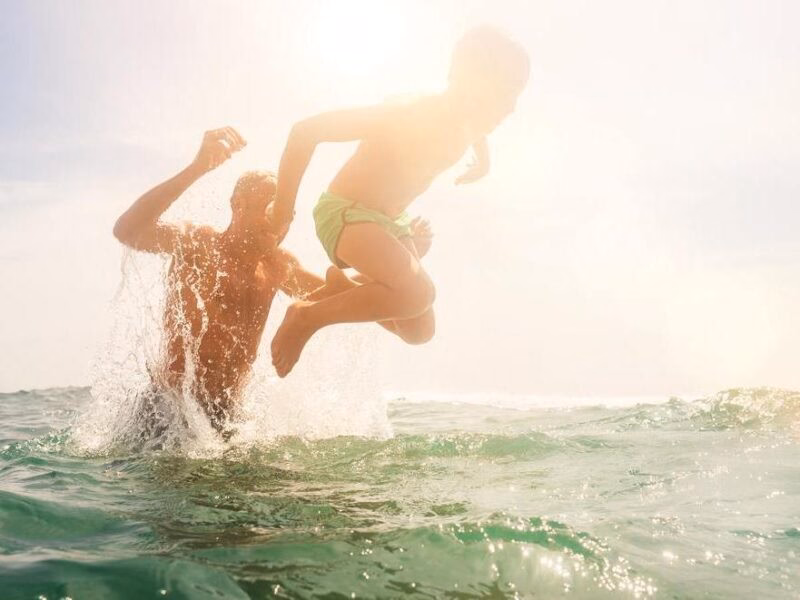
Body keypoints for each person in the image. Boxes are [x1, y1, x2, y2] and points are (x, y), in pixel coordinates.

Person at [268, 26, 530, 377]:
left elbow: (478, 135)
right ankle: (307, 316)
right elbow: (306, 132)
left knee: (419, 330)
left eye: (514, 96)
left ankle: (340, 291)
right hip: (346, 213)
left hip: (391, 222)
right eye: (504, 95)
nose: (511, 108)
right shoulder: (407, 114)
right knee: (418, 294)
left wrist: (484, 162)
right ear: (466, 83)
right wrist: (283, 209)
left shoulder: (472, 123)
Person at [113, 127, 339, 433]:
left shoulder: (278, 266)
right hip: (168, 415)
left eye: (288, 214)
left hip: (227, 418)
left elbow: (342, 296)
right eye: (271, 209)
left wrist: (399, 263)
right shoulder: (199, 245)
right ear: (238, 205)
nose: (280, 222)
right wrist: (197, 169)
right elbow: (128, 230)